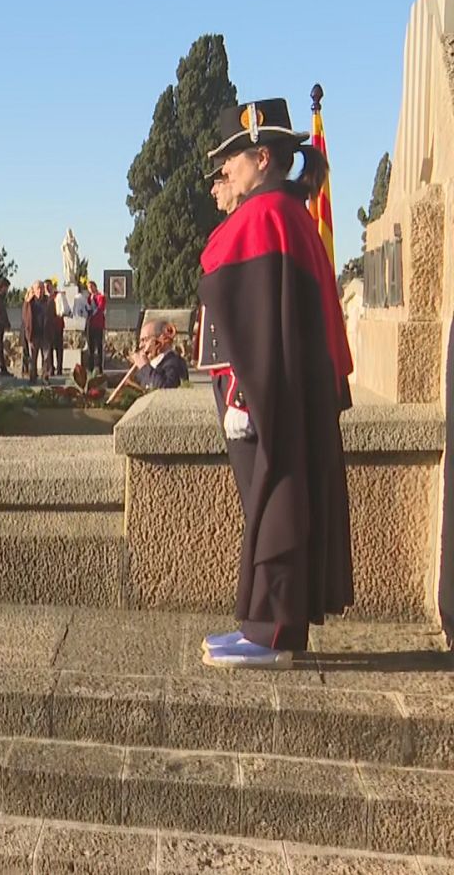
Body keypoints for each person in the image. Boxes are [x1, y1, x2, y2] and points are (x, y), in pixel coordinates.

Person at [196, 98, 354, 670]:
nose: (224, 170)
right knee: (270, 502)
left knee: (277, 499)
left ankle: (271, 633)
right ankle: (266, 626)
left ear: (262, 157)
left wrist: (243, 391)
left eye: (231, 158)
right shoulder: (285, 213)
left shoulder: (267, 216)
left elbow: (262, 322)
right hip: (278, 390)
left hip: (265, 396)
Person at [129, 320, 189, 390]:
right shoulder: (152, 365)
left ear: (162, 339)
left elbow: (166, 389)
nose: (140, 345)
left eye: (144, 340)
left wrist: (144, 367)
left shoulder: (175, 362)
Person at [21, 281, 50, 383]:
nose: (39, 290)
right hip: (34, 334)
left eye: (41, 288)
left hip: (45, 333)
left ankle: (45, 377)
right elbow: (24, 317)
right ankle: (33, 377)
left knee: (46, 358)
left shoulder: (48, 301)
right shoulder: (30, 302)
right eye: (37, 288)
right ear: (33, 290)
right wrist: (27, 302)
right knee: (33, 358)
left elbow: (52, 315)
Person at [87, 284, 107, 375]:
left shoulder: (100, 297)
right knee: (90, 347)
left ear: (95, 287)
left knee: (99, 347)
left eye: (92, 287)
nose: (90, 289)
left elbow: (101, 308)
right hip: (90, 325)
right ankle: (90, 367)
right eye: (89, 287)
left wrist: (93, 310)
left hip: (98, 325)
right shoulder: (88, 298)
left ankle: (100, 368)